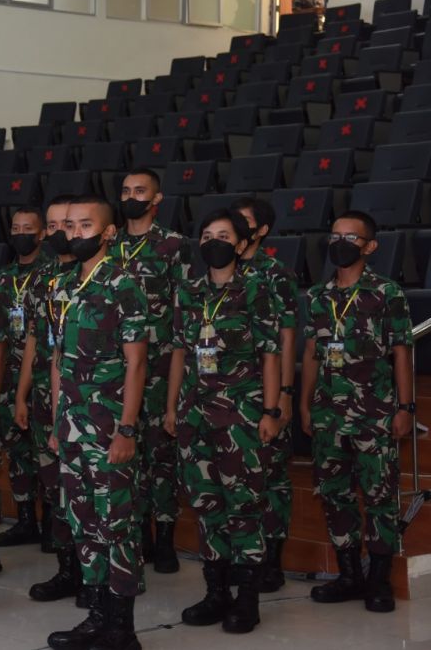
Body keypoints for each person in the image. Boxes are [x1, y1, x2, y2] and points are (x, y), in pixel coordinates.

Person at [165, 208, 280, 635]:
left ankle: (246, 601)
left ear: (241, 243)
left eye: (224, 235)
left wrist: (270, 411)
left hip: (241, 417)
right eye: (207, 234)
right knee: (206, 506)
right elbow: (179, 351)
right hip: (194, 416)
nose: (214, 241)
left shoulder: (255, 290)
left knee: (244, 508)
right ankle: (216, 594)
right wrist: (172, 407)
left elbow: (271, 354)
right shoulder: (189, 290)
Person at [45, 196, 149, 650]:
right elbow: (56, 360)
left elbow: (137, 364)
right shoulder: (62, 285)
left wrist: (127, 428)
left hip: (109, 428)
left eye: (86, 225)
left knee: (117, 524)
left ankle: (122, 629)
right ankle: (96, 616)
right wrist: (54, 423)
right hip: (70, 426)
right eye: (70, 225)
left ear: (108, 233)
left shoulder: (124, 284)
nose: (75, 232)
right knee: (83, 520)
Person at [301, 211, 414, 614]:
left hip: (375, 413)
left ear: (370, 246)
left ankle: (378, 579)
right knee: (335, 496)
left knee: (380, 496)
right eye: (335, 235)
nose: (340, 242)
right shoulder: (316, 296)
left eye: (351, 237)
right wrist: (304, 404)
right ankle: (349, 576)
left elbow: (401, 351)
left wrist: (404, 406)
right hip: (328, 414)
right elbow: (312, 352)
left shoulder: (387, 293)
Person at [109, 168, 190, 574]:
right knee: (127, 456)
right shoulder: (108, 243)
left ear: (156, 199)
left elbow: (183, 313)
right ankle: (136, 534)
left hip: (159, 365)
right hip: (115, 369)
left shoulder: (174, 245)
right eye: (125, 190)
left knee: (161, 456)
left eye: (139, 191)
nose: (131, 197)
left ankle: (166, 539)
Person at [16, 196, 88, 606]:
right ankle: (68, 570)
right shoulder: (42, 280)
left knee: (88, 491)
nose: (64, 232)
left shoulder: (103, 278)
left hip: (91, 403)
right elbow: (32, 342)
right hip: (46, 399)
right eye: (56, 224)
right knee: (54, 486)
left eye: (71, 224)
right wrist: (22, 394)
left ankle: (97, 575)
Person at [231, 197, 299, 592]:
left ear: (261, 231)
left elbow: (287, 337)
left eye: (244, 222)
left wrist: (285, 393)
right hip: (226, 396)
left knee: (270, 479)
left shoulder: (275, 274)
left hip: (266, 392)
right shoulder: (219, 271)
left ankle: (272, 559)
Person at [0, 207, 49, 551]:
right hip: (9, 377)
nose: (21, 234)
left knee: (46, 451)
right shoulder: (2, 277)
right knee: (17, 451)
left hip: (43, 378)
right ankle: (26, 519)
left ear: (41, 234)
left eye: (29, 228)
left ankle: (53, 522)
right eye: (16, 228)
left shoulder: (52, 274)